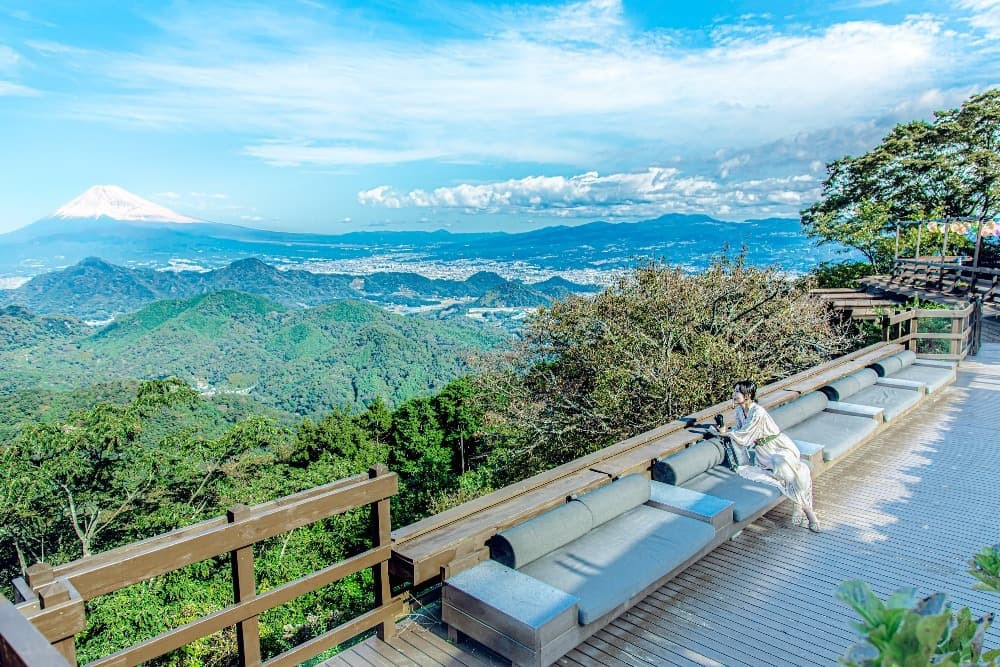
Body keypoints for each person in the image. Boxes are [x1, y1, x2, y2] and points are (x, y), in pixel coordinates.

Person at [711, 379, 821, 533]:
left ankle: (809, 512)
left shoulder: (758, 412)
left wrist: (728, 433)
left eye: (737, 392)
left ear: (747, 395)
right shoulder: (739, 411)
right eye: (735, 391)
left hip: (778, 447)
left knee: (784, 468)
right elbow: (739, 429)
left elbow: (746, 434)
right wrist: (724, 430)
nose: (734, 394)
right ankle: (800, 504)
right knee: (785, 477)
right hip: (763, 452)